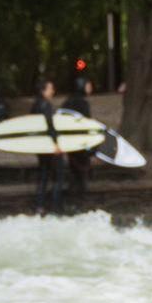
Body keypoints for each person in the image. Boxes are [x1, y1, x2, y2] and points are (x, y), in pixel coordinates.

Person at [30, 78, 66, 214]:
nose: (53, 91)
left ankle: (40, 206)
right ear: (43, 90)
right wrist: (56, 144)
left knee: (43, 175)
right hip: (50, 147)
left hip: (40, 147)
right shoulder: (46, 105)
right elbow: (50, 126)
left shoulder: (35, 105)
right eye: (50, 88)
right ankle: (56, 208)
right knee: (58, 176)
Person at [61, 77, 94, 208]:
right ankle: (81, 200)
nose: (90, 88)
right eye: (88, 85)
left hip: (70, 143)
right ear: (82, 86)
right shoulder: (83, 103)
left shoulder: (66, 102)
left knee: (74, 170)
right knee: (82, 171)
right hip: (80, 143)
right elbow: (86, 124)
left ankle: (72, 200)